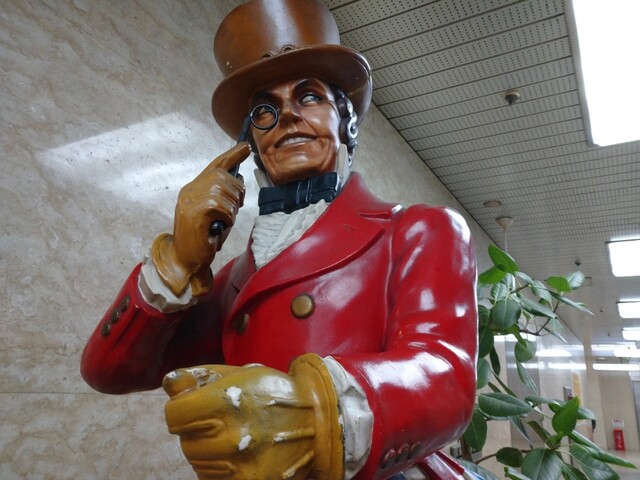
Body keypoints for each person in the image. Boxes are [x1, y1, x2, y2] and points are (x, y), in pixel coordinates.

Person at [81, 1, 478, 479]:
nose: (287, 114)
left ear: (346, 122)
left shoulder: (418, 229)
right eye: (265, 110)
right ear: (251, 145)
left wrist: (315, 414)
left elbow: (446, 376)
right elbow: (109, 371)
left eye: (309, 96)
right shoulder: (236, 280)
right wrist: (179, 263)